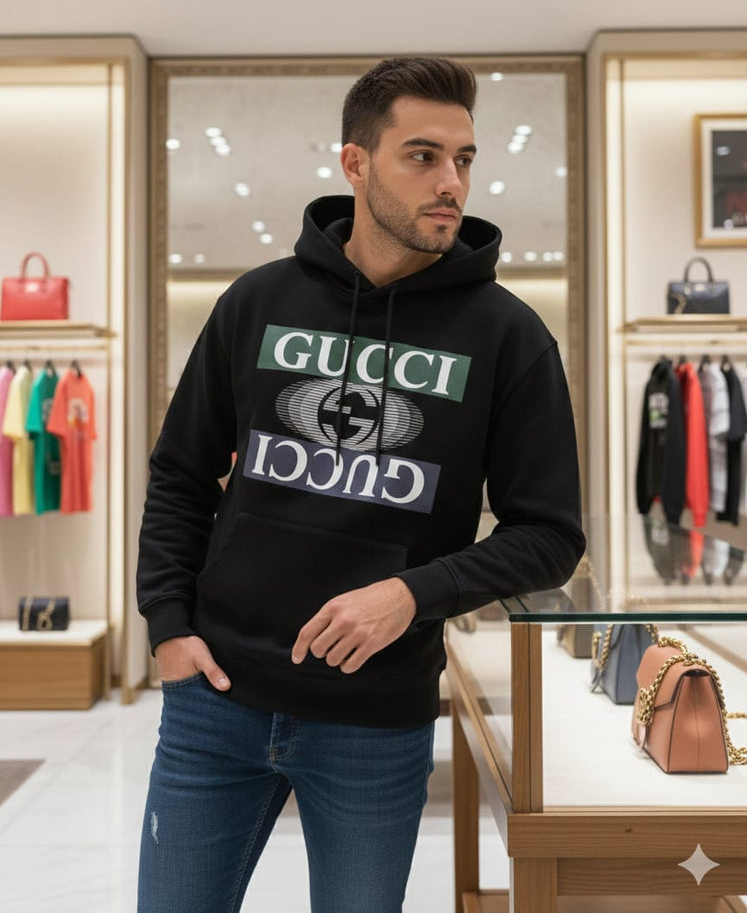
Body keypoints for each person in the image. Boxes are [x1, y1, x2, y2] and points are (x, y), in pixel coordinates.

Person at [135, 55, 585, 913]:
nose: (450, 182)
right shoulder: (256, 303)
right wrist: (168, 627)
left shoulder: (508, 337)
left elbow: (549, 536)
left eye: (463, 159)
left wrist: (410, 595)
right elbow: (182, 474)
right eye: (422, 156)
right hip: (215, 701)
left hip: (374, 722)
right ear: (355, 163)